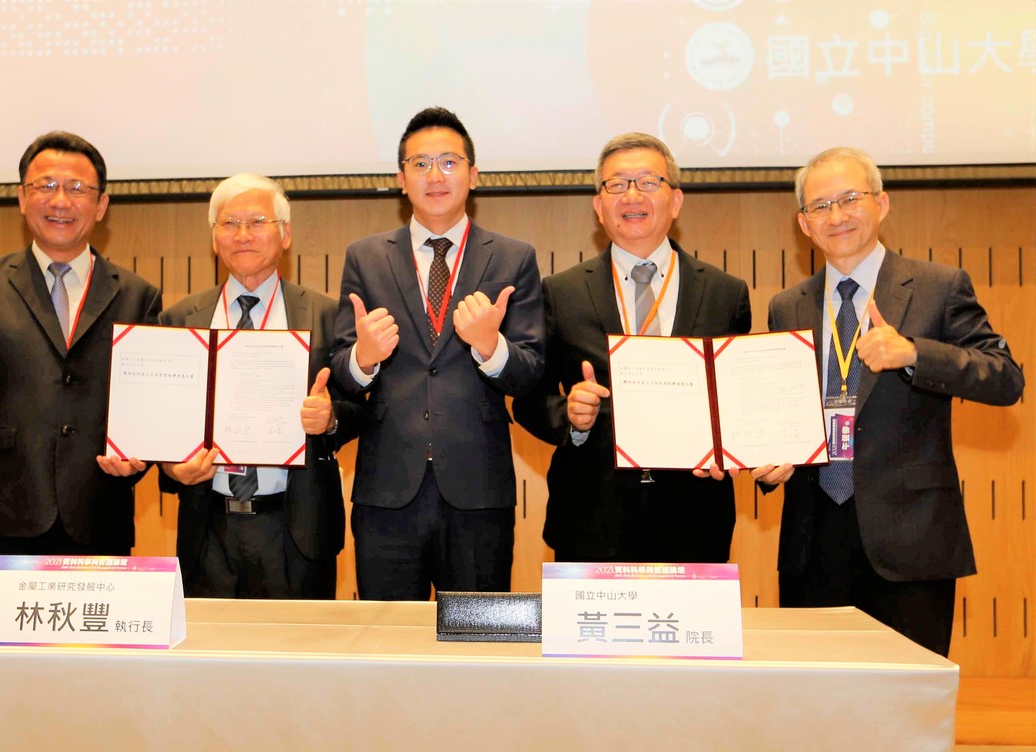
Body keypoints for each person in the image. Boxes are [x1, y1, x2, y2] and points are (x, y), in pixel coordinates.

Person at [753, 147, 1024, 656]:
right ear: (804, 224)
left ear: (882, 203)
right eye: (820, 206)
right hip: (813, 542)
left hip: (910, 541)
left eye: (850, 199)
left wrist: (915, 353)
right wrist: (771, 462)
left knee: (907, 712)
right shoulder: (787, 305)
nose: (836, 216)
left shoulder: (937, 287)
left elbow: (1005, 377)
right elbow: (780, 413)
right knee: (819, 710)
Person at [0, 131, 162, 583]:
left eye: (77, 189)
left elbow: (147, 403)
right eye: (46, 186)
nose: (61, 201)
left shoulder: (137, 295)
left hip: (97, 510)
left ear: (101, 205)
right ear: (21, 198)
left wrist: (140, 457)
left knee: (92, 651)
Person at [329, 106, 544, 600]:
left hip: (478, 494)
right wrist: (363, 359)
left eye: (449, 162)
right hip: (387, 493)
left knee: (476, 647)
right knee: (387, 646)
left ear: (474, 173)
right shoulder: (365, 256)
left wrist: (491, 349)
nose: (435, 176)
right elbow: (342, 371)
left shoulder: (513, 258)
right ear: (401, 179)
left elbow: (531, 373)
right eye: (420, 164)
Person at [513, 132, 751, 563]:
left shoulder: (725, 293)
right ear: (599, 206)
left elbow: (738, 405)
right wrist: (569, 415)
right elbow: (529, 400)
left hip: (696, 517)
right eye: (617, 184)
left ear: (675, 201)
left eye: (647, 182)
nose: (632, 195)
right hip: (590, 516)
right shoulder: (560, 292)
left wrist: (731, 446)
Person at [157, 174, 362, 599]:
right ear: (214, 239)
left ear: (285, 234)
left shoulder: (327, 315)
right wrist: (171, 466)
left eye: (258, 222)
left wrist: (329, 419)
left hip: (297, 528)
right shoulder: (179, 319)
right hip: (208, 526)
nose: (243, 235)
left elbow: (363, 406)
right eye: (229, 224)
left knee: (300, 660)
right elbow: (165, 421)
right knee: (210, 660)